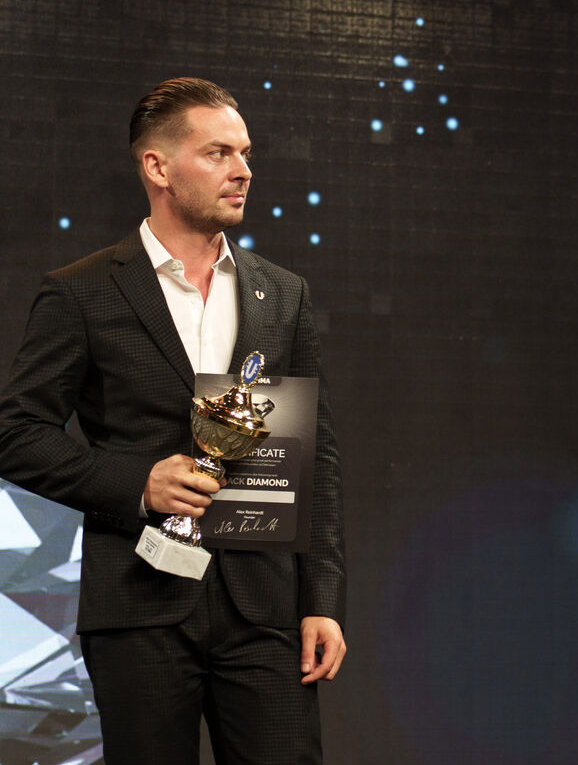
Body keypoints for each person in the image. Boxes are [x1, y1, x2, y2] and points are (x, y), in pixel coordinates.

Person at [0, 78, 346, 765]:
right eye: (219, 153)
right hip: (139, 606)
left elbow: (319, 457)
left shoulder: (283, 294)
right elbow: (17, 433)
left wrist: (323, 599)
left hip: (264, 608)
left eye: (245, 153)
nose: (243, 171)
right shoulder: (82, 291)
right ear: (157, 167)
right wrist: (138, 483)